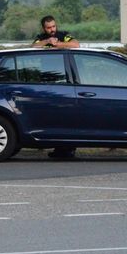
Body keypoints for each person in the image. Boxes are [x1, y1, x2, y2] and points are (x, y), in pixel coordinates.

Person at [33, 15, 80, 159]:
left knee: (69, 115)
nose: (52, 30)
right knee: (53, 115)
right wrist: (47, 41)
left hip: (65, 80)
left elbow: (76, 45)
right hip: (47, 81)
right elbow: (33, 47)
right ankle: (58, 148)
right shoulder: (41, 38)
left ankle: (69, 149)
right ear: (44, 28)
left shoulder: (63, 36)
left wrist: (58, 44)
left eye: (53, 26)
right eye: (48, 28)